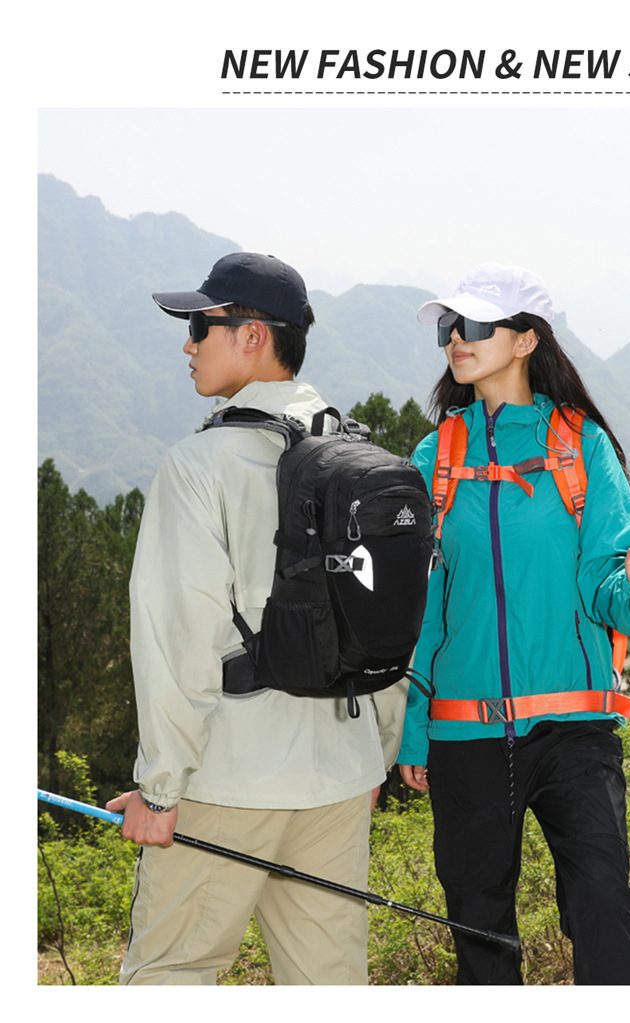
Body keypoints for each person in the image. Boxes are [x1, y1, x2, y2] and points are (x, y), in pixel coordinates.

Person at [106, 251, 406, 985]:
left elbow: (180, 637)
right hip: (341, 774)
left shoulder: (199, 465)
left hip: (227, 780)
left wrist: (160, 788)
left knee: (172, 971)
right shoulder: (361, 458)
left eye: (199, 325)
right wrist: (375, 753)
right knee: (330, 982)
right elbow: (393, 616)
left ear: (252, 336)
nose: (187, 344)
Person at [397, 262, 630, 986]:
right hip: (464, 734)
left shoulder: (580, 446)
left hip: (574, 731)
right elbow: (422, 610)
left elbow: (609, 586)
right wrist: (413, 728)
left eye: (475, 324)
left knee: (603, 904)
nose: (456, 338)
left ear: (526, 341)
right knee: (478, 925)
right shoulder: (435, 456)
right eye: (449, 325)